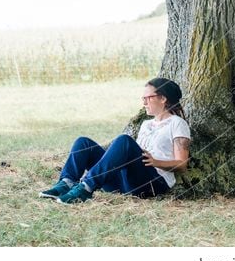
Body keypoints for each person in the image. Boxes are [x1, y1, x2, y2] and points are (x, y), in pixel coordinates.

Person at [39, 77, 190, 204]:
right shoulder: (146, 124)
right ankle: (66, 183)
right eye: (142, 98)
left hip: (152, 183)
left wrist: (156, 162)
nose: (144, 103)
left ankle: (85, 188)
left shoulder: (177, 124)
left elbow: (182, 164)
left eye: (147, 98)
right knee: (83, 143)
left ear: (163, 98)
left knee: (124, 141)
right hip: (126, 182)